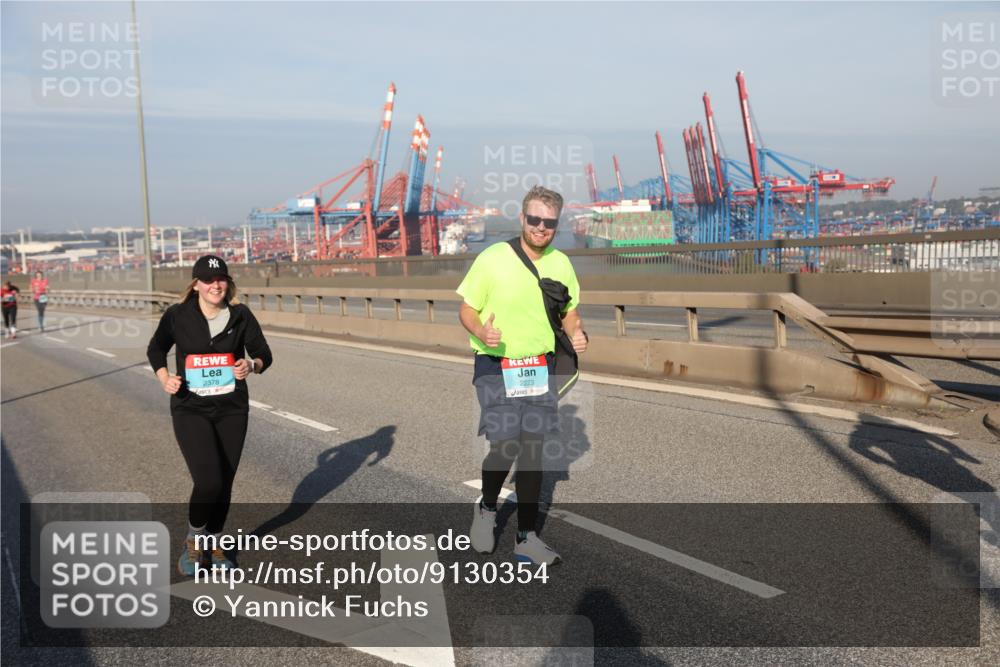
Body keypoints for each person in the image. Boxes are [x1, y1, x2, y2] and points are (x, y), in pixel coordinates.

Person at [457, 186, 588, 566]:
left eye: (549, 222)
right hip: (497, 365)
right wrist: (481, 331)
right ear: (522, 219)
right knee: (505, 445)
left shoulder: (562, 264)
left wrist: (576, 330)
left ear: (557, 224)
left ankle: (526, 537)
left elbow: (570, 310)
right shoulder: (493, 258)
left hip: (537, 366)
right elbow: (467, 308)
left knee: (532, 450)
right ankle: (485, 510)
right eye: (534, 220)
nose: (541, 228)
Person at [146, 255, 273, 576]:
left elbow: (263, 355)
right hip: (191, 407)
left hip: (232, 408)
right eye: (207, 280)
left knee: (225, 481)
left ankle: (215, 542)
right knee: (208, 481)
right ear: (196, 285)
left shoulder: (241, 316)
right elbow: (156, 348)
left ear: (228, 283)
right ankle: (194, 540)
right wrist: (164, 377)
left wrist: (251, 365)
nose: (215, 285)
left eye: (220, 280)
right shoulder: (178, 316)